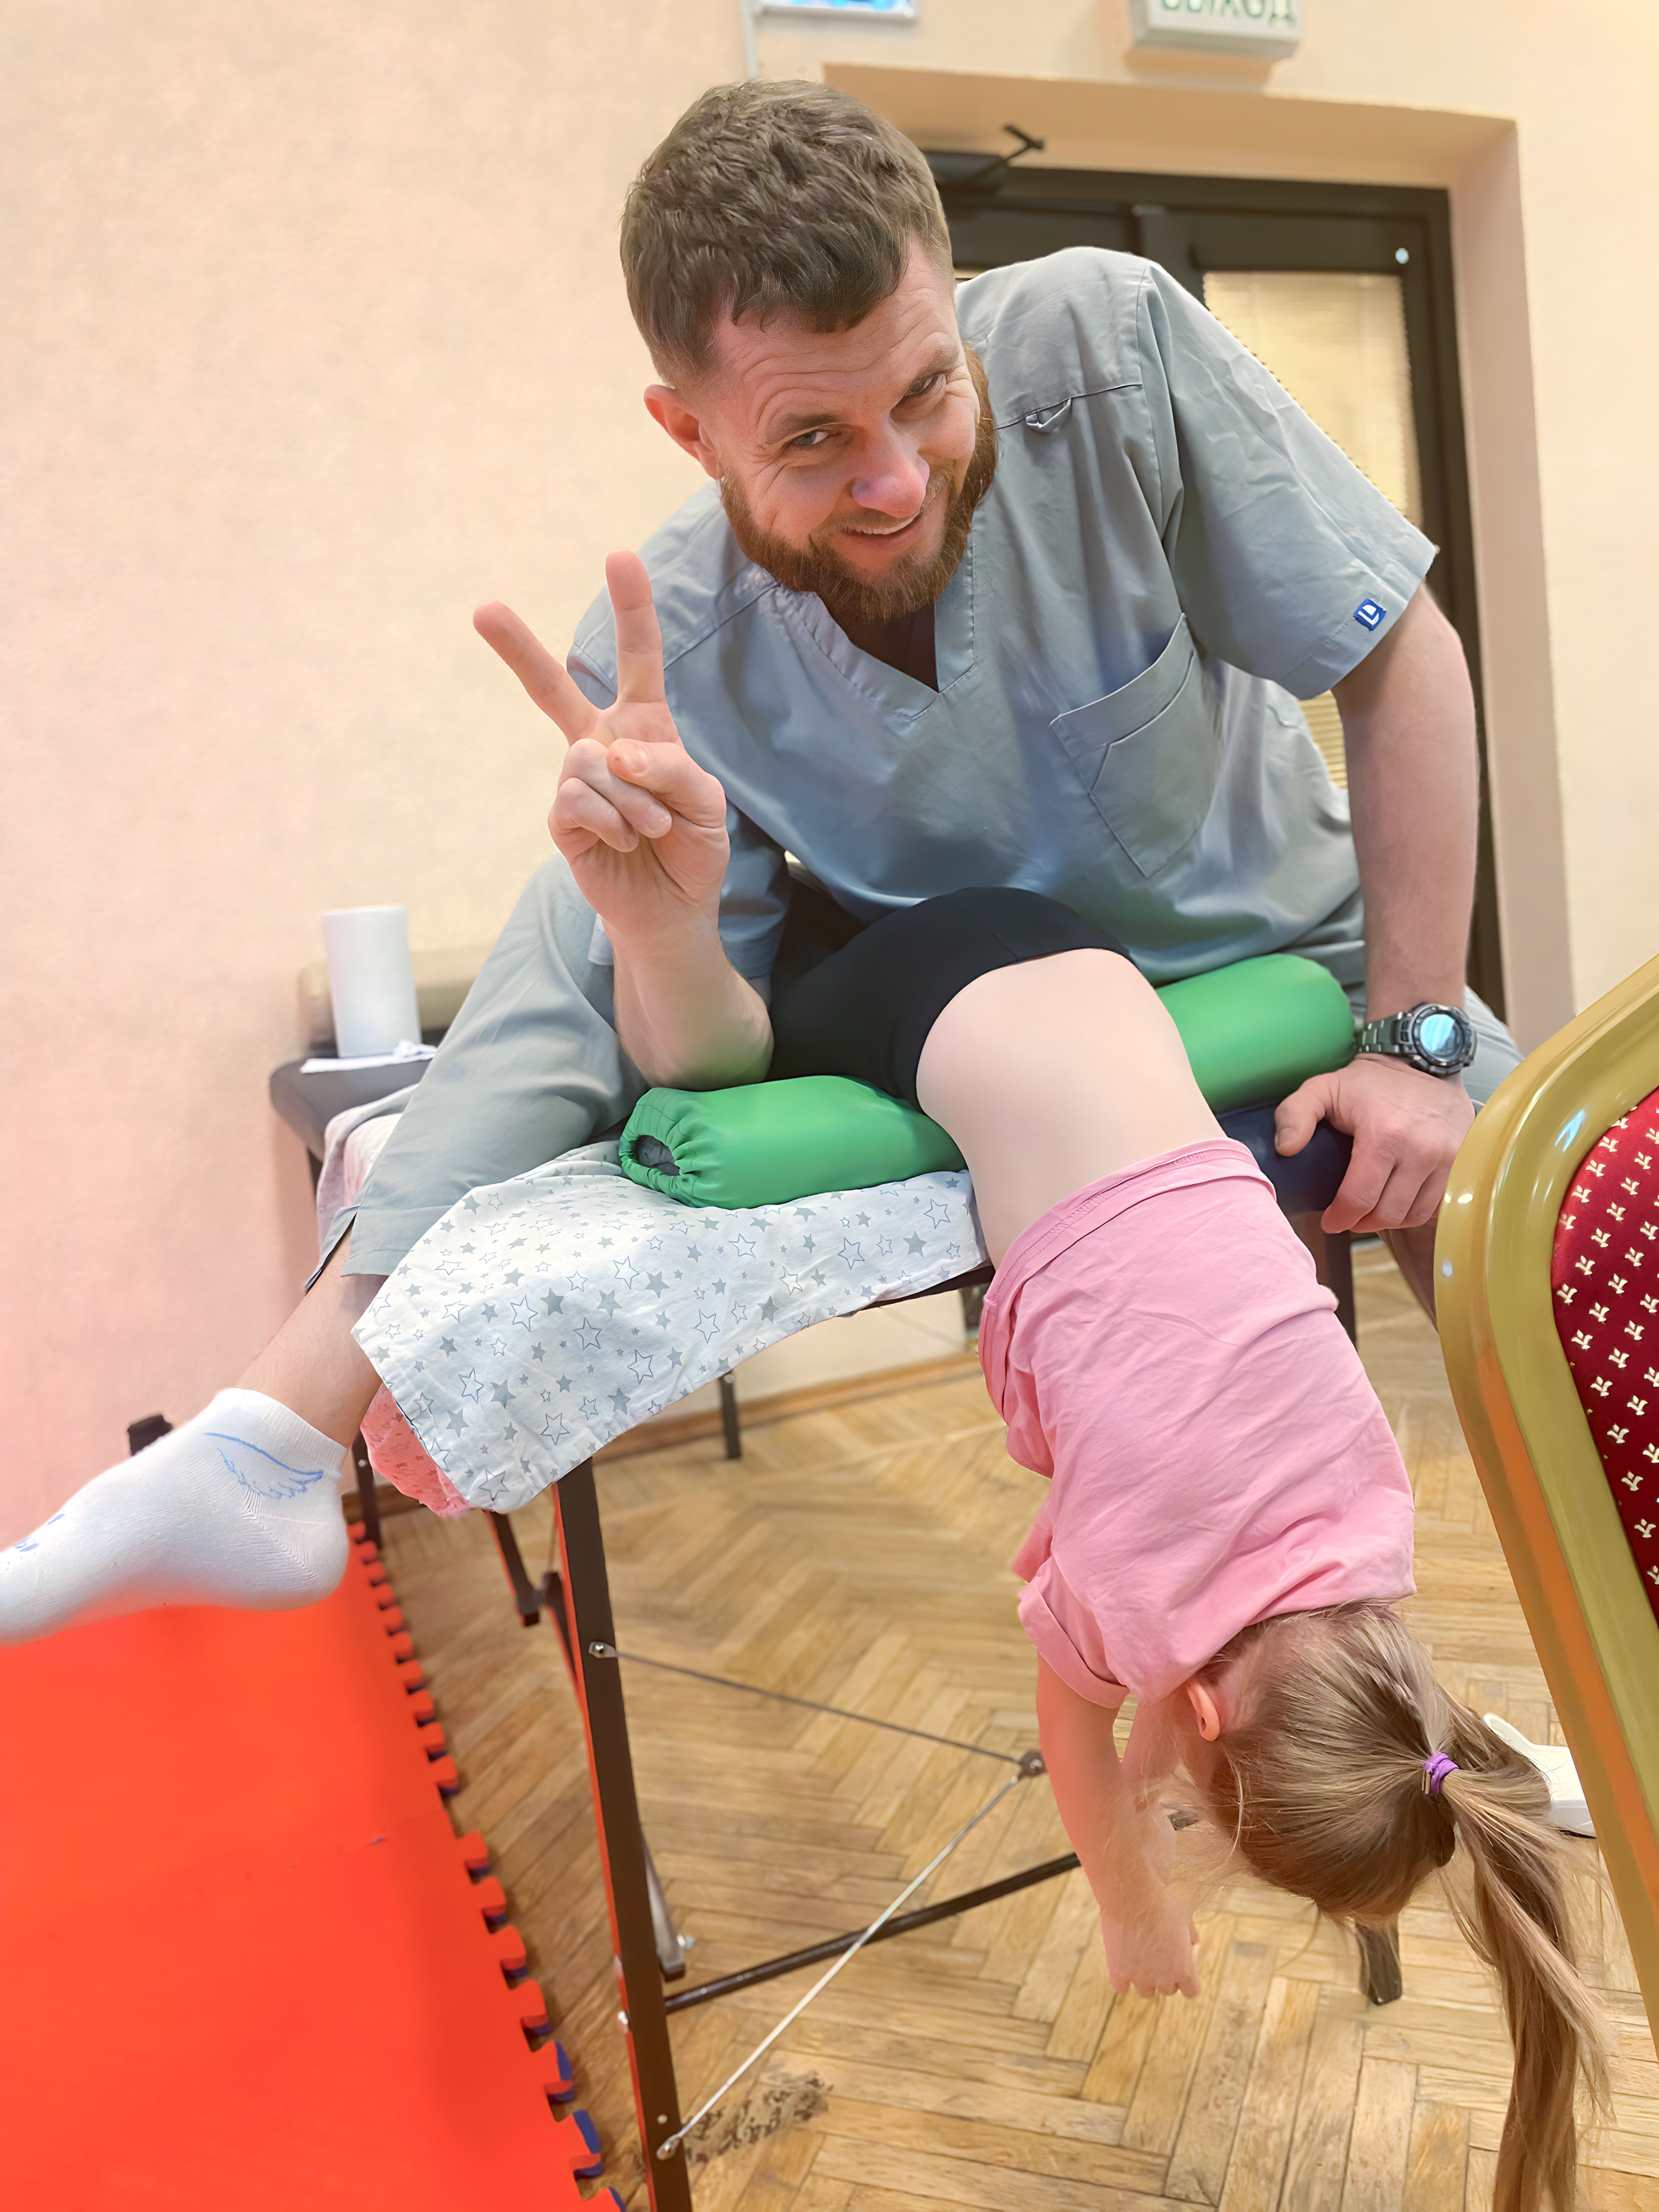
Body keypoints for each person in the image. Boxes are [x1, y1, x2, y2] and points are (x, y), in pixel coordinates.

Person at [0, 88, 1505, 1643]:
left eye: (928, 390)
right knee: (599, 867)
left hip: (1309, 962)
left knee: (1577, 1317)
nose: (897, 479)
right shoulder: (672, 637)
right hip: (994, 998)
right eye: (812, 438)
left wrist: (1416, 1038)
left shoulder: (1105, 348)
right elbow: (702, 1059)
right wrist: (654, 922)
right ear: (690, 431)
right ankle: (269, 1442)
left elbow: (1399, 655)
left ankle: (274, 1428)